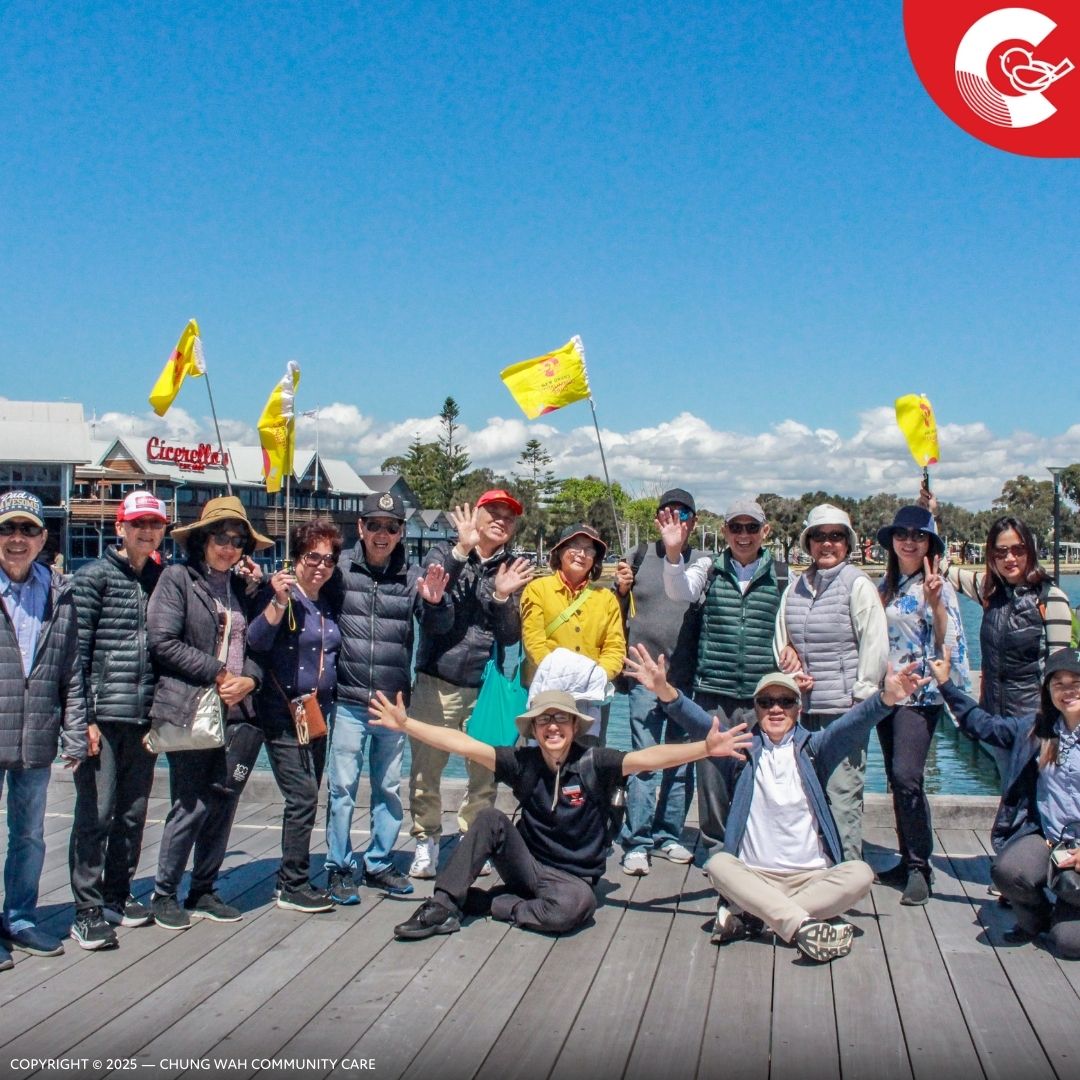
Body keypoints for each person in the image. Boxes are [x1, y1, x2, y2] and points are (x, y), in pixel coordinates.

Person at [371, 687, 752, 941]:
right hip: (528, 866)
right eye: (544, 720)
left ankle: (489, 903)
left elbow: (647, 758)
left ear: (573, 726)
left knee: (576, 908)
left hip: (572, 879)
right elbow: (464, 745)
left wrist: (705, 748)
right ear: (534, 729)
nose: (552, 726)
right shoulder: (523, 762)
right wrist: (407, 724)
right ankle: (443, 906)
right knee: (489, 819)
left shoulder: (594, 762)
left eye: (561, 720)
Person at [623, 644, 926, 963]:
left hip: (812, 877)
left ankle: (757, 914)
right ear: (756, 708)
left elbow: (853, 724)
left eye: (785, 701)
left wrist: (887, 697)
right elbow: (698, 721)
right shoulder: (740, 749)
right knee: (718, 865)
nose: (776, 709)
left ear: (798, 708)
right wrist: (664, 689)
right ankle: (801, 922)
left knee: (861, 874)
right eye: (766, 702)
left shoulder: (815, 748)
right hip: (755, 874)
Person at [146, 496, 271, 931]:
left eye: (238, 541)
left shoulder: (242, 589)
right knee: (191, 803)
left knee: (224, 801)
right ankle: (164, 892)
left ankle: (203, 888)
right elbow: (162, 641)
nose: (229, 547)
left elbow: (259, 643)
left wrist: (249, 680)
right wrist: (219, 673)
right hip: (193, 707)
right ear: (202, 540)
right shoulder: (177, 579)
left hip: (239, 710)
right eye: (220, 537)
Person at [324, 491, 452, 905]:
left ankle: (378, 862)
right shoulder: (339, 570)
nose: (383, 534)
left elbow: (437, 624)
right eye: (374, 525)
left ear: (401, 533)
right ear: (360, 528)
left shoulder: (412, 577)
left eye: (392, 527)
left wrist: (436, 604)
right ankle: (339, 867)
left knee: (388, 786)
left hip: (393, 704)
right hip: (347, 695)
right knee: (342, 786)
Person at [407, 490, 534, 880]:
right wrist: (461, 553)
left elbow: (511, 636)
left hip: (485, 686)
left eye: (508, 518)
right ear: (473, 516)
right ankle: (426, 840)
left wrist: (501, 596)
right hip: (437, 680)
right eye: (492, 513)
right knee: (426, 772)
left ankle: (471, 842)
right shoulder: (441, 555)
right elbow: (433, 617)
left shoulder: (513, 568)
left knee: (484, 775)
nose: (500, 521)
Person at [927, 650, 1080, 958]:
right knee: (1008, 871)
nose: (1068, 691)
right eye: (1058, 683)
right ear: (1047, 691)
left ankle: (1069, 907)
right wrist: (945, 685)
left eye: (1076, 682)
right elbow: (983, 725)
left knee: (1070, 945)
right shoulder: (1036, 730)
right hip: (1051, 838)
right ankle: (1039, 918)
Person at [660, 498, 788, 858]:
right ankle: (716, 850)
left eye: (752, 527)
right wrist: (673, 553)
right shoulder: (707, 568)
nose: (744, 535)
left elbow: (793, 625)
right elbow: (678, 591)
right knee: (713, 778)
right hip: (712, 690)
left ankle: (754, 847)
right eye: (736, 527)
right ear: (724, 532)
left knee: (761, 777)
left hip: (762, 696)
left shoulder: (781, 574)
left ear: (765, 531)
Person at [68, 491, 168, 950]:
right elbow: (76, 653)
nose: (146, 532)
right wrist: (83, 718)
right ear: (119, 527)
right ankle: (86, 908)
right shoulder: (93, 578)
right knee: (97, 812)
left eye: (154, 525)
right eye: (138, 524)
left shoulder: (164, 579)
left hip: (145, 714)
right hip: (104, 715)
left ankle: (117, 893)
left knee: (132, 813)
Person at [0, 490, 86, 968]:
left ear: (43, 538)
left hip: (35, 735)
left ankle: (19, 916)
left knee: (29, 833)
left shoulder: (60, 592)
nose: (17, 539)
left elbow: (71, 672)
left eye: (27, 530)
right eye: (8, 529)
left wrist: (75, 731)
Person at [774, 503, 888, 861]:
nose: (827, 544)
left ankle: (845, 876)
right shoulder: (794, 587)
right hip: (801, 713)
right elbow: (781, 639)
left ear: (847, 542)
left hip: (842, 712)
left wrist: (862, 701)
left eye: (836, 536)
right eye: (819, 537)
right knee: (804, 794)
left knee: (842, 797)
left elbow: (874, 643)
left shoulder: (858, 586)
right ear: (808, 542)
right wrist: (790, 667)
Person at [245, 518, 344, 913]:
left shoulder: (328, 600)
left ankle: (294, 875)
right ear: (296, 559)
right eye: (311, 557)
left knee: (309, 795)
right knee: (301, 796)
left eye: (328, 559)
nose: (320, 565)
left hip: (317, 713)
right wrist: (277, 600)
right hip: (282, 710)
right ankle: (292, 882)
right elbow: (256, 639)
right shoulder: (284, 594)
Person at [873, 506, 969, 905]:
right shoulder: (886, 583)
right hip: (887, 694)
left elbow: (947, 638)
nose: (909, 541)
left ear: (930, 542)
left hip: (920, 695)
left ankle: (920, 867)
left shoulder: (937, 586)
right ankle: (905, 856)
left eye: (918, 535)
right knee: (897, 779)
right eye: (902, 534)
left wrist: (935, 605)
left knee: (908, 775)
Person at [613, 488, 708, 876]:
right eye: (668, 513)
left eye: (683, 514)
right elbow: (615, 613)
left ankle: (669, 834)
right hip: (642, 675)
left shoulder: (703, 562)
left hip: (685, 678)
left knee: (682, 761)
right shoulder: (637, 558)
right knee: (644, 759)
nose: (675, 520)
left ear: (694, 522)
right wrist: (620, 589)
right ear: (657, 520)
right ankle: (636, 840)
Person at [943, 513, 1071, 719]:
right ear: (992, 555)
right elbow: (943, 568)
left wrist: (1052, 728)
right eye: (1001, 552)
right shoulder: (989, 589)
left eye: (1018, 549)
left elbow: (1061, 671)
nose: (1009, 558)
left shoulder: (1050, 598)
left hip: (1033, 724)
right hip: (993, 720)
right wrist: (928, 513)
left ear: (1030, 550)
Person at [520, 523, 626, 745]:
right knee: (543, 765)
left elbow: (615, 648)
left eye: (589, 549)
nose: (582, 554)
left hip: (591, 696)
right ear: (559, 551)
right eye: (575, 546)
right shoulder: (537, 589)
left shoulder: (606, 598)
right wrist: (562, 677)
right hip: (547, 694)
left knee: (588, 765)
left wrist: (598, 677)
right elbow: (534, 642)